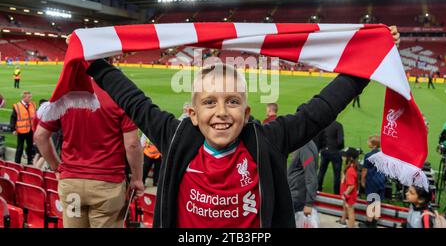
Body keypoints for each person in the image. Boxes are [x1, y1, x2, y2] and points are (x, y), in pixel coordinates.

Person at [82, 28, 399, 228]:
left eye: (232, 102)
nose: (221, 113)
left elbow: (320, 110)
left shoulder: (267, 140)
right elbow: (134, 101)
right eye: (209, 103)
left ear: (247, 112)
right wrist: (93, 63)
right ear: (192, 113)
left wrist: (370, 62)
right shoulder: (175, 137)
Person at [33, 81, 144, 228]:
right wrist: (137, 178)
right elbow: (132, 144)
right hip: (107, 184)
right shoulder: (118, 92)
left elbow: (40, 136)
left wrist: (56, 167)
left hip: (71, 182)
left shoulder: (66, 92)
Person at [287, 140, 318, 227]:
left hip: (297, 197)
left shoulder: (305, 147)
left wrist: (309, 203)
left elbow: (311, 176)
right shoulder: (302, 144)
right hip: (294, 195)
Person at [360, 135, 386, 228]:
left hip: (372, 182)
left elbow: (364, 170)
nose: (368, 143)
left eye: (369, 142)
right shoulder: (383, 155)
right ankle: (375, 222)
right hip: (381, 181)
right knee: (378, 202)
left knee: (371, 202)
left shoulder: (368, 156)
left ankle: (368, 223)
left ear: (374, 145)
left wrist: (362, 180)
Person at [316, 121, 345, 194]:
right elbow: (340, 141)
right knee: (337, 174)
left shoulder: (324, 123)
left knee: (321, 171)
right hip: (335, 152)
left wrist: (321, 149)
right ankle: (336, 193)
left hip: (324, 151)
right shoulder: (338, 125)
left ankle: (318, 189)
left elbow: (319, 138)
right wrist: (339, 148)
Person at [10, 91, 36, 164]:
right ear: (24, 98)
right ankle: (17, 162)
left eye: (31, 96)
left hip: (31, 130)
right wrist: (13, 129)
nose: (31, 98)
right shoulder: (17, 106)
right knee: (20, 148)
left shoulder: (32, 105)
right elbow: (13, 118)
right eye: (29, 97)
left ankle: (30, 162)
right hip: (21, 131)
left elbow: (36, 117)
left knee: (30, 147)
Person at [338, 147, 360, 228]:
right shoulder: (350, 167)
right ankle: (343, 220)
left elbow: (351, 186)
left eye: (344, 155)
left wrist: (345, 194)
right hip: (347, 194)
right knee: (345, 207)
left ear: (350, 158)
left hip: (349, 195)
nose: (342, 156)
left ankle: (351, 226)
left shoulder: (350, 170)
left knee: (351, 211)